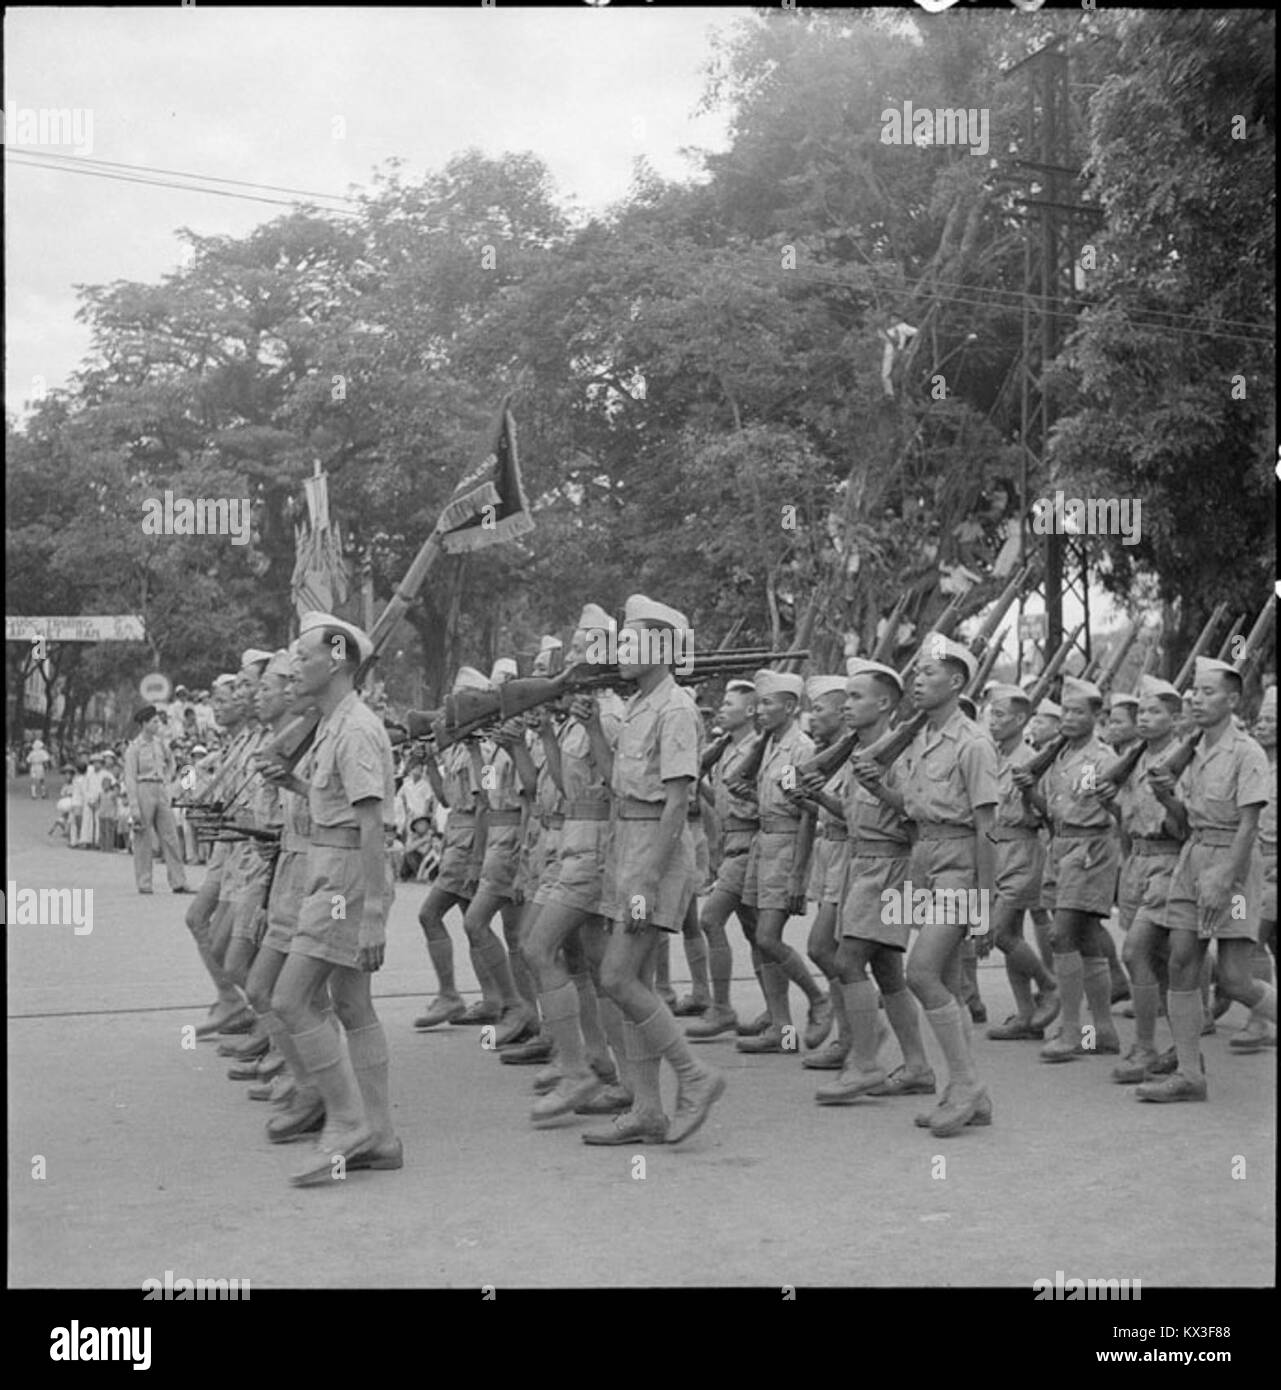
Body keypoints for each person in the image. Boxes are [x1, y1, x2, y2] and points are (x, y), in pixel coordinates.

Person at [582, 595, 726, 1146]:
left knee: (616, 976)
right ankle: (647, 1108)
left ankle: (695, 1075)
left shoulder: (676, 709)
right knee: (634, 980)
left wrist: (645, 875)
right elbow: (614, 779)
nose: (619, 648)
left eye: (631, 639)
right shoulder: (641, 705)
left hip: (655, 854)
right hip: (630, 842)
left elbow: (677, 801)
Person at [267, 612, 402, 1182]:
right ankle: (383, 1135)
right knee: (351, 1005)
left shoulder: (355, 728)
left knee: (290, 1000)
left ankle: (348, 1123)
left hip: (347, 878)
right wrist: (295, 786)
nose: (296, 665)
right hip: (334, 866)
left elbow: (372, 826)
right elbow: (340, 807)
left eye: (305, 655)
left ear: (339, 658)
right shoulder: (334, 724)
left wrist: (372, 913)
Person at [1135, 657, 1276, 1101]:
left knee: (1235, 977)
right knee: (1180, 960)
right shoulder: (1192, 752)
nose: (1196, 698)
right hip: (1192, 857)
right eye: (1194, 691)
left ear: (1233, 700)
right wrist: (1166, 796)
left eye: (1208, 692)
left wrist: (1223, 879)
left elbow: (1249, 824)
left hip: (1233, 863)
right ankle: (1190, 1072)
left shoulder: (1246, 752)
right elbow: (1184, 822)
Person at [809, 662, 935, 1104]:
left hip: (888, 869)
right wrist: (817, 797)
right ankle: (917, 1065)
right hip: (860, 865)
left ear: (884, 703)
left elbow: (917, 814)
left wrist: (880, 787)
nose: (847, 704)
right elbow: (857, 814)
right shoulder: (857, 751)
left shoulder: (899, 754)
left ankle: (864, 1064)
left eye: (857, 696)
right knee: (886, 971)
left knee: (847, 963)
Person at [890, 634, 999, 1135]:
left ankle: (967, 1083)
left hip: (959, 864)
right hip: (924, 861)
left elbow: (987, 829)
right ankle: (963, 1092)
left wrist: (986, 904)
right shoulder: (921, 737)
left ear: (956, 682)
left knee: (920, 973)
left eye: (928, 674)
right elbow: (914, 807)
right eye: (915, 674)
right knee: (949, 986)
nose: (917, 681)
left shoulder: (973, 742)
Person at [736, 668, 832, 1055]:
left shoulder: (801, 748)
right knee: (758, 941)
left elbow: (808, 813)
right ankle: (782, 1028)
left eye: (767, 703)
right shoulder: (771, 745)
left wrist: (797, 874)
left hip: (787, 843)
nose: (759, 710)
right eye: (758, 704)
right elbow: (739, 785)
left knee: (767, 938)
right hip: (764, 841)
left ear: (791, 707)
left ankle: (818, 997)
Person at [1097, 675, 1185, 1082]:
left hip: (1171, 863)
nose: (1146, 719)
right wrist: (1110, 805)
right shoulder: (1133, 759)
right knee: (1162, 962)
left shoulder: (1183, 759)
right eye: (1143, 712)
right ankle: (1180, 1050)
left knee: (1135, 953)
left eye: (1156, 712)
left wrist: (1170, 797)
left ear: (1175, 718)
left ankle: (1146, 1046)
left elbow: (1187, 823)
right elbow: (1129, 817)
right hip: (1137, 863)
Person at [414, 667, 491, 1029]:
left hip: (468, 842)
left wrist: (476, 859)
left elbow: (484, 804)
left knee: (431, 914)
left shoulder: (481, 746)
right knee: (473, 924)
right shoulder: (461, 745)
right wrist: (429, 761)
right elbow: (447, 799)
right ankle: (494, 998)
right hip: (455, 838)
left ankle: (451, 995)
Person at [982, 685, 1060, 1040]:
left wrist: (1031, 791)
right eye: (991, 714)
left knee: (999, 931)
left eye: (1000, 715)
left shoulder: (1035, 760)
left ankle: (1049, 985)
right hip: (995, 851)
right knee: (1010, 935)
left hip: (1024, 850)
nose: (992, 720)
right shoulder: (991, 756)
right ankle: (1027, 1017)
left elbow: (1053, 813)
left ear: (1020, 720)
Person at [685, 679, 760, 1041]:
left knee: (709, 919)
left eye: (730, 704)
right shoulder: (727, 749)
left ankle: (722, 1007)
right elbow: (721, 802)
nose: (721, 709)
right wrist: (696, 779)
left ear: (750, 711)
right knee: (758, 934)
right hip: (732, 843)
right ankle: (778, 1015)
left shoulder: (758, 749)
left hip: (751, 845)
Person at [795, 675, 855, 1070]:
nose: (812, 717)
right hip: (830, 850)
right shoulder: (827, 752)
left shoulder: (856, 752)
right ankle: (851, 1037)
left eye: (819, 709)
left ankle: (856, 1034)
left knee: (824, 948)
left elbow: (858, 814)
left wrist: (818, 797)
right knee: (836, 951)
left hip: (854, 853)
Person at [123, 707, 190, 894]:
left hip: (160, 788)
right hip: (143, 788)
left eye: (158, 722)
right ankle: (144, 883)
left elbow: (171, 762)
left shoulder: (161, 744)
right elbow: (129, 777)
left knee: (170, 836)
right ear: (144, 724)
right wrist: (134, 806)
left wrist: (167, 781)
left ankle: (178, 881)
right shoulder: (134, 748)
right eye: (153, 722)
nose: (157, 725)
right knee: (143, 839)